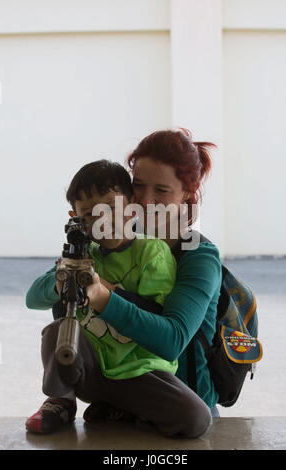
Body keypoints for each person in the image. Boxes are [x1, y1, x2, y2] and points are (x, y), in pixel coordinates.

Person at [81, 128, 222, 437]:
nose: (145, 201)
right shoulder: (115, 240)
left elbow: (172, 340)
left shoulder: (199, 255)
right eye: (139, 185)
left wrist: (104, 293)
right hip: (124, 401)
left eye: (161, 190)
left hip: (182, 407)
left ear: (186, 192)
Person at [25, 159, 178, 434]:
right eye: (89, 215)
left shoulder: (151, 253)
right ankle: (62, 399)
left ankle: (118, 406)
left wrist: (104, 290)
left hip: (140, 368)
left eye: (110, 208)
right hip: (90, 366)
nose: (102, 220)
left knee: (194, 420)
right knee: (56, 329)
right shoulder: (83, 251)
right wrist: (63, 280)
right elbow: (33, 298)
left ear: (131, 209)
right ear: (75, 218)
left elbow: (156, 317)